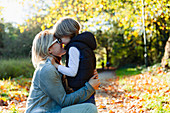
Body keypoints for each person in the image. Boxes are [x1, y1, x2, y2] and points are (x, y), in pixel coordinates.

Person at [25, 30, 100, 113]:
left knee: (87, 106)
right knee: (89, 109)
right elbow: (64, 101)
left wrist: (88, 76)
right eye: (58, 41)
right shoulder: (47, 69)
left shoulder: (55, 66)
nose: (62, 43)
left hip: (53, 110)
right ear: (49, 49)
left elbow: (67, 94)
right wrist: (89, 87)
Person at [52, 17, 97, 104]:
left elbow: (72, 72)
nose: (60, 43)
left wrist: (56, 65)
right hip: (87, 85)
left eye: (60, 39)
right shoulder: (84, 45)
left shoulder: (73, 48)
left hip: (81, 89)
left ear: (67, 34)